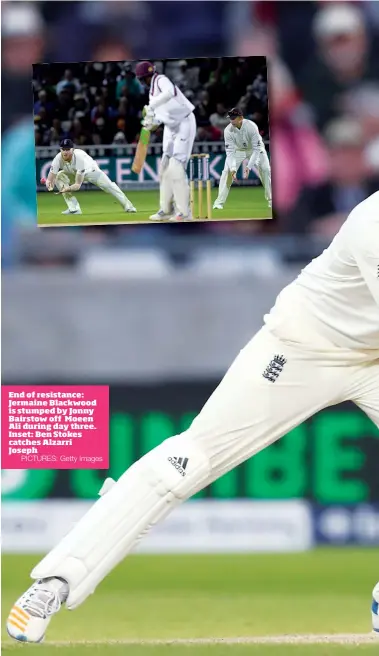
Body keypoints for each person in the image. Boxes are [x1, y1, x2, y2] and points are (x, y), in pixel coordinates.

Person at [6, 191, 379, 643]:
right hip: (303, 348)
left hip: (372, 358)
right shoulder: (371, 223)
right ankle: (54, 583)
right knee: (186, 463)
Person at [135, 61, 196, 222]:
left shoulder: (160, 79)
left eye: (144, 79)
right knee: (164, 167)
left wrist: (151, 106)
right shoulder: (151, 93)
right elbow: (157, 122)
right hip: (170, 127)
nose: (145, 81)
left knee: (176, 168)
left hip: (184, 122)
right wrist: (149, 123)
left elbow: (169, 92)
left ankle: (184, 212)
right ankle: (166, 209)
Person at [45, 138, 136, 215]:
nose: (65, 152)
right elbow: (51, 177)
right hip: (73, 172)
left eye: (68, 149)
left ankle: (129, 207)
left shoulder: (79, 158)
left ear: (72, 149)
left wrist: (66, 189)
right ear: (60, 149)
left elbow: (77, 185)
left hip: (91, 171)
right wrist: (49, 184)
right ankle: (74, 209)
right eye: (63, 149)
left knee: (109, 186)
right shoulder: (57, 158)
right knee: (58, 176)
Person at [213, 107, 272, 211]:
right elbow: (230, 153)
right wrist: (233, 169)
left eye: (234, 118)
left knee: (266, 169)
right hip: (238, 150)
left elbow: (256, 149)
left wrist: (249, 167)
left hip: (255, 149)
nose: (232, 120)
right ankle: (219, 203)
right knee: (226, 172)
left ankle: (271, 200)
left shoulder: (251, 126)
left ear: (241, 118)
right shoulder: (228, 130)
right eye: (230, 118)